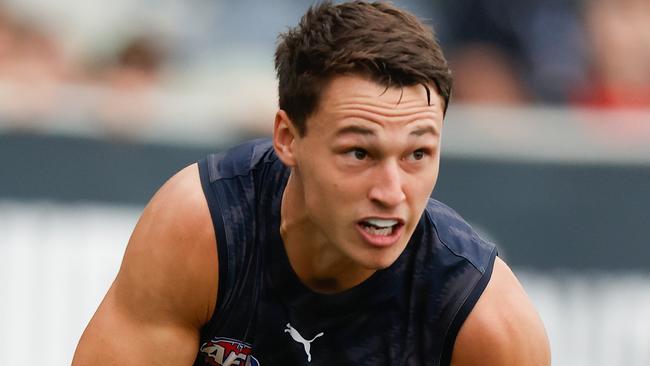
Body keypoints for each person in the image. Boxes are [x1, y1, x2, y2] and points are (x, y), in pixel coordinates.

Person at [73, 2, 550, 365]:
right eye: (359, 153)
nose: (391, 191)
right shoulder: (201, 231)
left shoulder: (486, 322)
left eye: (418, 154)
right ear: (287, 138)